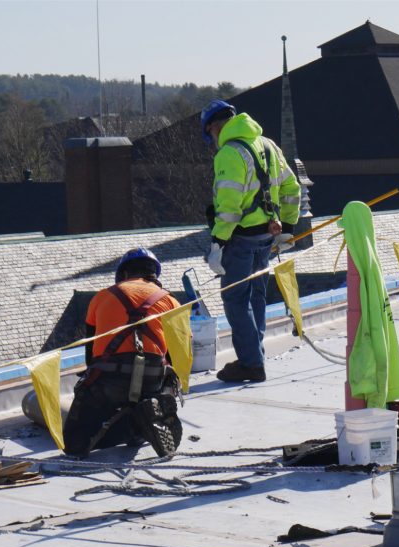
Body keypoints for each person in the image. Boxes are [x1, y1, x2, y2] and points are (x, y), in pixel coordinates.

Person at [200, 99, 301, 383]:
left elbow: (229, 207)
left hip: (241, 239)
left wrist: (217, 244)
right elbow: (292, 187)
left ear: (215, 127)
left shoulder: (229, 154)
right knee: (256, 296)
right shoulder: (267, 145)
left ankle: (251, 363)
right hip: (266, 236)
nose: (213, 143)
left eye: (211, 136)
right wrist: (288, 227)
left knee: (235, 299)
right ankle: (254, 354)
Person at [62, 248, 184, 458]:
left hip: (109, 380)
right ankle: (143, 421)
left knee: (74, 445)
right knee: (169, 378)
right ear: (154, 275)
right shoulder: (171, 301)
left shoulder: (102, 297)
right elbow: (180, 357)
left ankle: (131, 425)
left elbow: (91, 356)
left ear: (124, 274)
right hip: (152, 381)